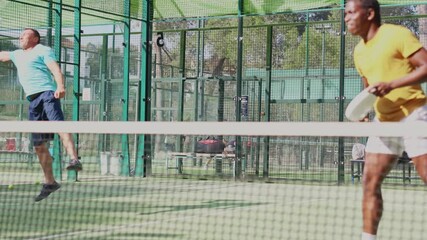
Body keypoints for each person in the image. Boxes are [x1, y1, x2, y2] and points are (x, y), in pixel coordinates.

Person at [345, 1, 427, 239]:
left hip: (415, 114)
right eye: (345, 13)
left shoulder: (396, 34)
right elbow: (368, 88)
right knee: (369, 181)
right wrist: (364, 112)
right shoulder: (359, 51)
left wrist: (392, 85)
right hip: (384, 121)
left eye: (351, 12)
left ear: (370, 13)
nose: (347, 18)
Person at [0, 28, 82, 202]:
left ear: (35, 38)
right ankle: (50, 182)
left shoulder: (43, 50)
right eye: (20, 35)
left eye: (25, 34)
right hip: (33, 102)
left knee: (59, 125)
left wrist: (60, 86)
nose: (21, 36)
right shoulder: (17, 54)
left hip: (47, 94)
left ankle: (74, 159)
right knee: (38, 144)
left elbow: (55, 69)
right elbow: (1, 55)